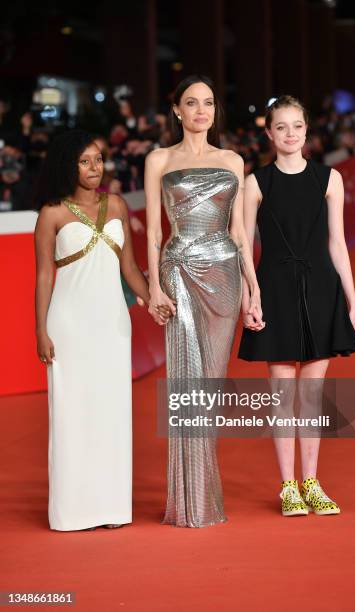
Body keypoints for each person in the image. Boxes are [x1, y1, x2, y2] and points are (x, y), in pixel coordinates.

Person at [34, 130, 169, 531]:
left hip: (112, 323)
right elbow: (44, 276)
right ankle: (72, 511)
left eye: (98, 159)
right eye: (85, 161)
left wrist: (154, 299)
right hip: (69, 325)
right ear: (67, 165)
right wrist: (40, 330)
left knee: (111, 414)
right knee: (72, 415)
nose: (95, 168)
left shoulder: (117, 206)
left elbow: (129, 268)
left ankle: (111, 508)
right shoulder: (52, 213)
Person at [145, 75, 264, 528]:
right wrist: (155, 286)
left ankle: (201, 494)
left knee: (209, 387)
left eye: (209, 103)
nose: (201, 111)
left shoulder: (232, 159)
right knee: (185, 381)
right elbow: (155, 231)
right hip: (178, 272)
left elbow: (238, 232)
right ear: (176, 109)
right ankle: (190, 501)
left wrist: (252, 288)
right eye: (191, 103)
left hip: (224, 275)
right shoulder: (159, 158)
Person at [238, 96, 355, 517]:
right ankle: (288, 486)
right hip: (274, 288)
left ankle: (312, 482)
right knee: (281, 393)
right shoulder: (256, 183)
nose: (290, 134)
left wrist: (353, 303)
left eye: (297, 126)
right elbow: (242, 244)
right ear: (269, 133)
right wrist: (249, 296)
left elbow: (337, 243)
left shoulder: (330, 179)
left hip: (321, 288)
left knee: (310, 395)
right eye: (281, 127)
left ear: (307, 132)